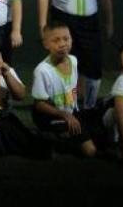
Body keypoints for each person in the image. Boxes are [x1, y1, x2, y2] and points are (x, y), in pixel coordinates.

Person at [31, 21, 98, 158]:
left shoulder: (73, 60)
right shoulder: (42, 70)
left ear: (72, 40)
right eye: (56, 40)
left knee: (91, 148)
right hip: (50, 116)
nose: (62, 44)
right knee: (87, 149)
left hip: (70, 111)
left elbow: (74, 85)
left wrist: (74, 106)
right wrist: (64, 115)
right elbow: (39, 104)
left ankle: (61, 139)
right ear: (46, 44)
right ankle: (49, 137)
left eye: (66, 39)